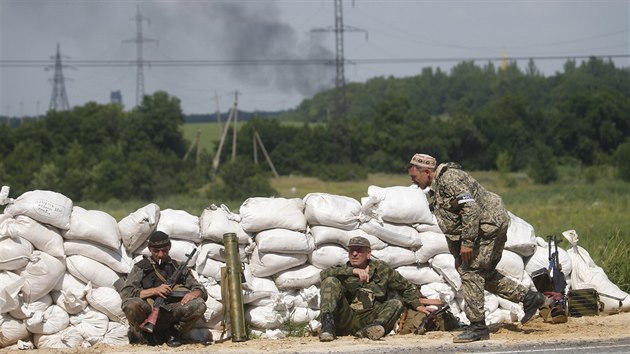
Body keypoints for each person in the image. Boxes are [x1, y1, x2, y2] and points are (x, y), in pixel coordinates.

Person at [407, 153, 548, 343]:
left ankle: (478, 327)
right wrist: (457, 253)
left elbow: (471, 209)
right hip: (485, 227)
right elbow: (451, 225)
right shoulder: (437, 188)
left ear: (426, 171)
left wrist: (467, 243)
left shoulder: (450, 179)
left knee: (470, 271)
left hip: (488, 226)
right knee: (484, 273)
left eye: (415, 177)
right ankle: (530, 298)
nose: (414, 182)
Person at [318, 236, 441, 342]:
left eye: (359, 250)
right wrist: (352, 271)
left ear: (368, 254)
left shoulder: (381, 269)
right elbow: (323, 274)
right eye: (351, 251)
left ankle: (373, 329)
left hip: (369, 317)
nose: (354, 254)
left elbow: (406, 287)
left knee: (396, 303)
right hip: (346, 317)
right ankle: (327, 327)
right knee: (330, 281)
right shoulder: (342, 270)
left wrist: (417, 305)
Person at [120, 231, 208, 347]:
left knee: (199, 304)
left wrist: (194, 294)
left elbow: (200, 289)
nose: (160, 255)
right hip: (149, 310)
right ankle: (145, 334)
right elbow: (126, 292)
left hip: (171, 312)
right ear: (150, 249)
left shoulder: (178, 267)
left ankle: (174, 333)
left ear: (170, 247)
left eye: (164, 250)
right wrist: (155, 291)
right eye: (156, 251)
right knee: (131, 304)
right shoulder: (141, 267)